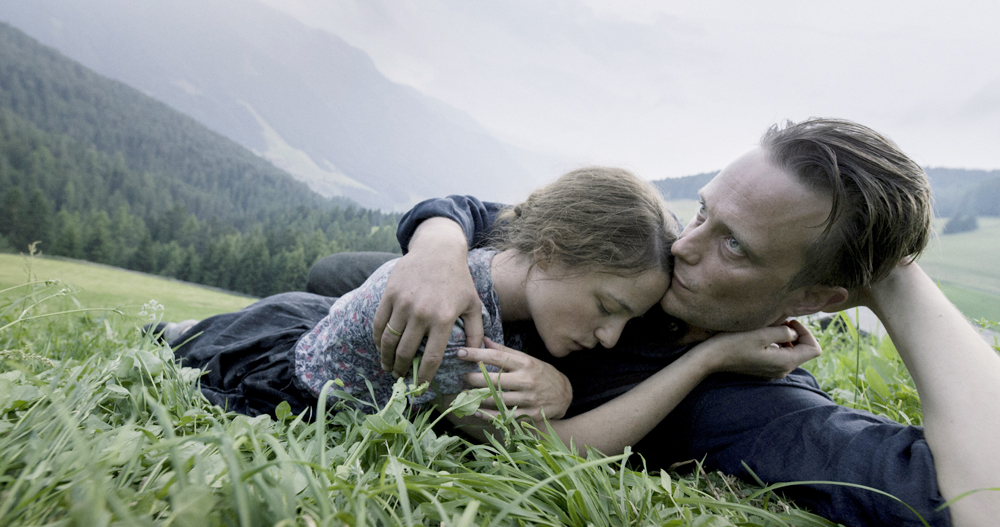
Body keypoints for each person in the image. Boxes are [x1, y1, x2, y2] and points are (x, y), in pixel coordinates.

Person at [307, 119, 1000, 526]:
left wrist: (895, 280)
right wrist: (436, 247)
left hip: (413, 378)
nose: (683, 247)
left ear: (819, 296)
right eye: (703, 212)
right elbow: (496, 215)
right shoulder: (658, 256)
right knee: (333, 272)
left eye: (735, 246)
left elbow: (984, 499)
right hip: (432, 312)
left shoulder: (758, 405)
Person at [161, 167, 818, 453]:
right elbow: (553, 453)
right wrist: (708, 358)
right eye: (607, 307)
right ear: (554, 251)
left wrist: (560, 380)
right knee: (185, 347)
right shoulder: (458, 330)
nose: (612, 334)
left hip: (302, 323)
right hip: (278, 373)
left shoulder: (506, 263)